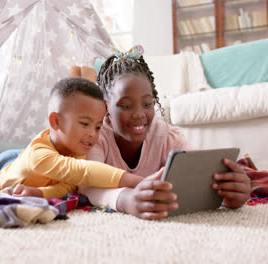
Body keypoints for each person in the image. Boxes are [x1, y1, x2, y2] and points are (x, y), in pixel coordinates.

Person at [78, 45, 251, 220]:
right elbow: (87, 187)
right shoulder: (96, 138)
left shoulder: (165, 135)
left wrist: (227, 193)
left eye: (147, 104)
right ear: (106, 108)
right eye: (126, 106)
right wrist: (125, 200)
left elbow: (198, 170)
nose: (139, 114)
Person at [0, 77, 144, 199]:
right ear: (55, 121)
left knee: (16, 154)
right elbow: (83, 171)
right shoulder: (40, 155)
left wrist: (39, 192)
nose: (93, 134)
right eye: (84, 124)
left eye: (98, 126)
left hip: (28, 160)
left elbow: (67, 186)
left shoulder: (78, 152)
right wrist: (138, 181)